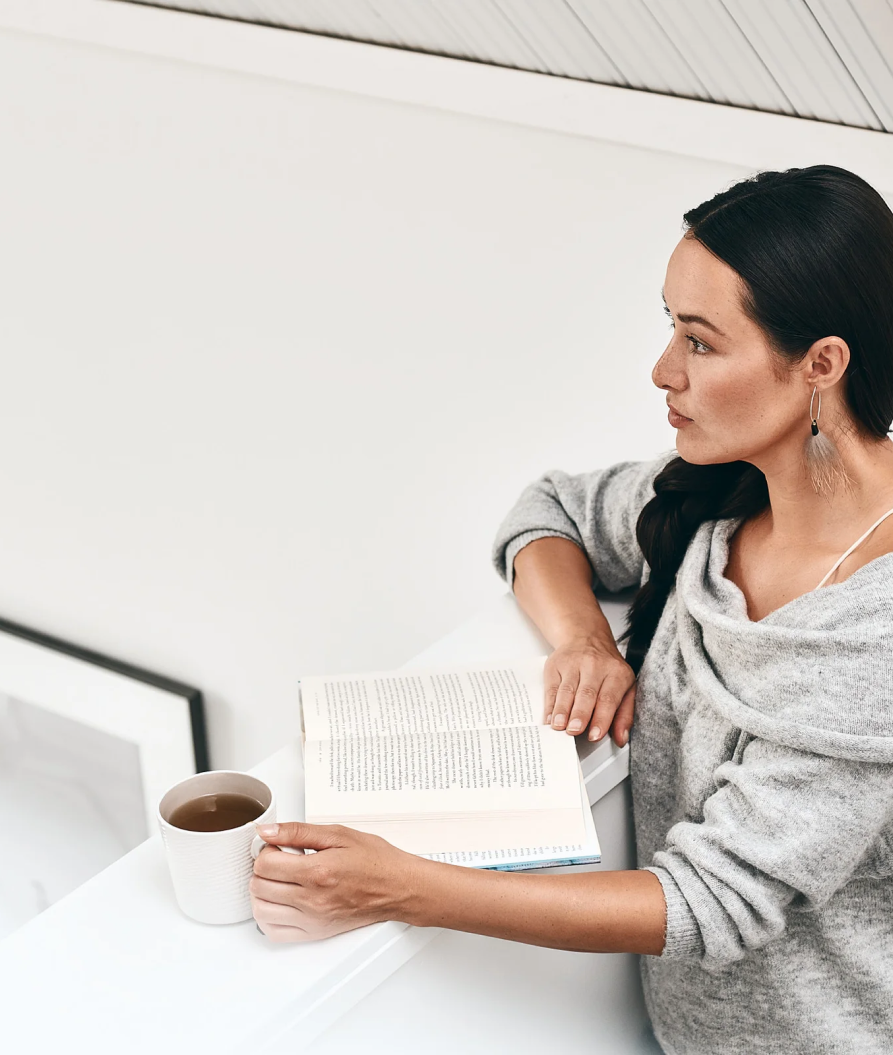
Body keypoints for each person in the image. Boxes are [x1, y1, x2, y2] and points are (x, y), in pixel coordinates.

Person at [249, 165, 893, 1054]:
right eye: (669, 325)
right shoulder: (724, 499)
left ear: (820, 364)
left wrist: (401, 885)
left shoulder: (871, 638)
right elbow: (546, 512)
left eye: (701, 343)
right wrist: (584, 640)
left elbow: (708, 898)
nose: (662, 369)